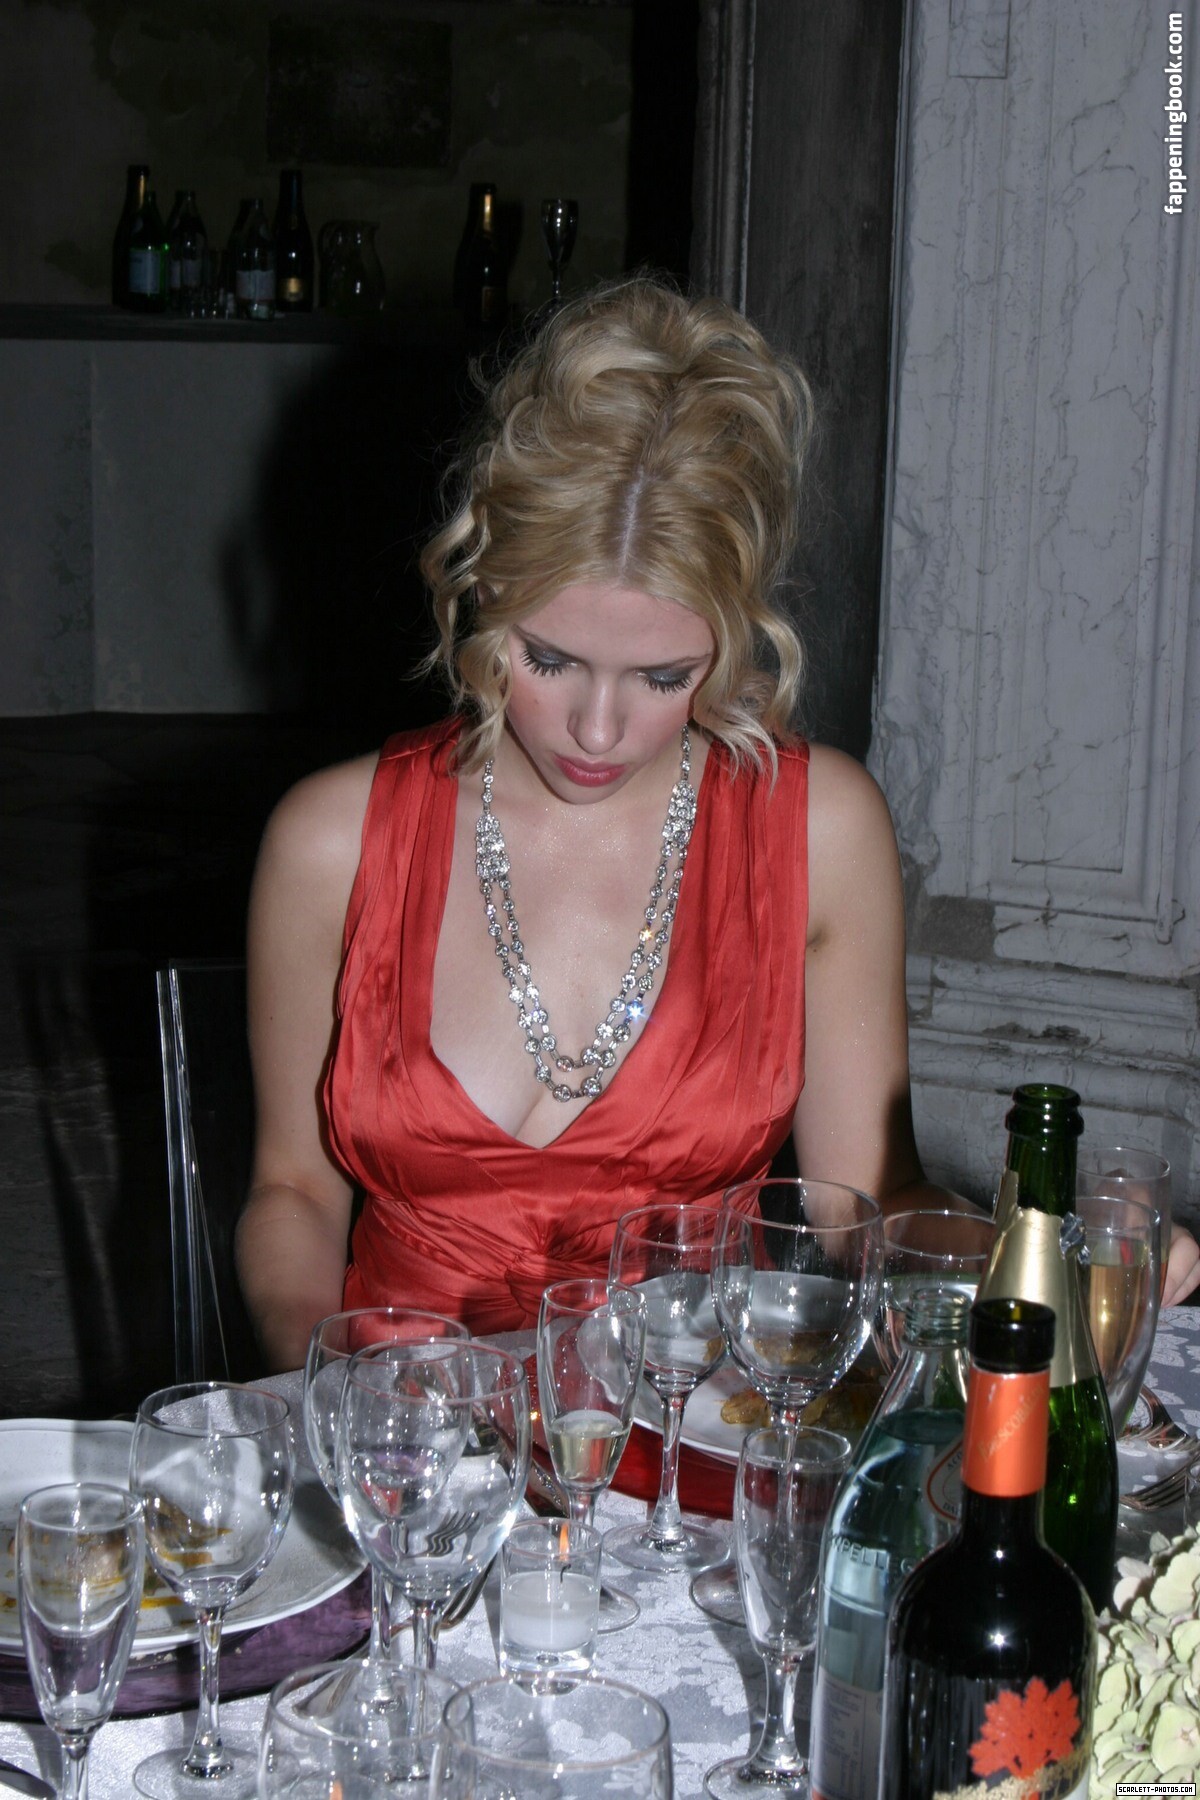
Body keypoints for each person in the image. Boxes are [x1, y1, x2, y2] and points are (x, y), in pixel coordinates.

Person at [236, 278, 1198, 1372]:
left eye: (662, 675)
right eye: (549, 659)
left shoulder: (818, 830)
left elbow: (868, 1201)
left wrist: (1042, 1255)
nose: (598, 729)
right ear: (484, 591)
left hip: (694, 1431)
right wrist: (321, 1394)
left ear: (739, 639)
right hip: (407, 1435)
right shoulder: (331, 841)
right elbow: (292, 1191)